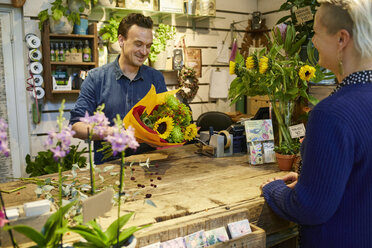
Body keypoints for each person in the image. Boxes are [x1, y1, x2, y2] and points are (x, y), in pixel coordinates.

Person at [260, 0, 372, 247]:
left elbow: (309, 208)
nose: (312, 41)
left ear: (341, 39)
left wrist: (274, 189)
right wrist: (315, 182)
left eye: (316, 32)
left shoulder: (332, 113)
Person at [69, 13, 167, 164]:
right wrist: (111, 132)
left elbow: (165, 122)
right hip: (109, 168)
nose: (144, 52)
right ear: (121, 40)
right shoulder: (96, 78)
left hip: (150, 166)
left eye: (148, 46)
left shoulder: (156, 78)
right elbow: (76, 127)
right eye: (138, 44)